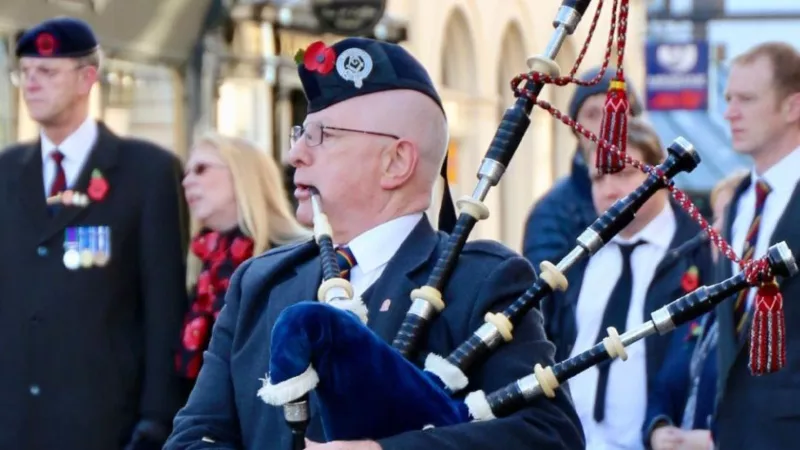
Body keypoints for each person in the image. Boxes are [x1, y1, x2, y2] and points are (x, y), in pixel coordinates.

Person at [165, 37, 584, 450]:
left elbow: (548, 435)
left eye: (321, 136)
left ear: (396, 162)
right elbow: (194, 437)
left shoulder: (481, 282)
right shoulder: (260, 282)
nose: (295, 154)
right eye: (300, 133)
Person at [0, 17, 190, 450]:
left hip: (104, 422)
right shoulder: (7, 173)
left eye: (47, 72)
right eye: (24, 72)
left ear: (88, 78)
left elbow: (164, 305)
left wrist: (159, 417)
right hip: (14, 422)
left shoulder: (146, 172)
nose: (31, 84)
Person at [545, 117, 714, 449]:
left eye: (624, 173)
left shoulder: (700, 252)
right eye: (598, 177)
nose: (610, 190)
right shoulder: (578, 255)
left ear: (661, 177)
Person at [176, 132, 311, 393]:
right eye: (187, 171)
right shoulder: (205, 262)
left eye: (201, 169)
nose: (187, 181)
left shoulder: (296, 254)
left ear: (243, 174)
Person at [714, 41, 800, 449]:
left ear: (793, 107)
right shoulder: (739, 203)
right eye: (728, 98)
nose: (729, 112)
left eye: (746, 99)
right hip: (733, 432)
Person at [641, 172, 746, 450]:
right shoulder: (702, 308)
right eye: (716, 216)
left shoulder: (767, 316)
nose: (716, 228)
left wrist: (713, 442)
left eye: (731, 214)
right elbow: (663, 388)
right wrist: (659, 428)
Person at [521, 67, 643, 274]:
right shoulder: (552, 212)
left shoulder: (659, 199)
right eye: (592, 114)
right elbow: (543, 295)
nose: (606, 124)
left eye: (617, 111)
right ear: (576, 128)